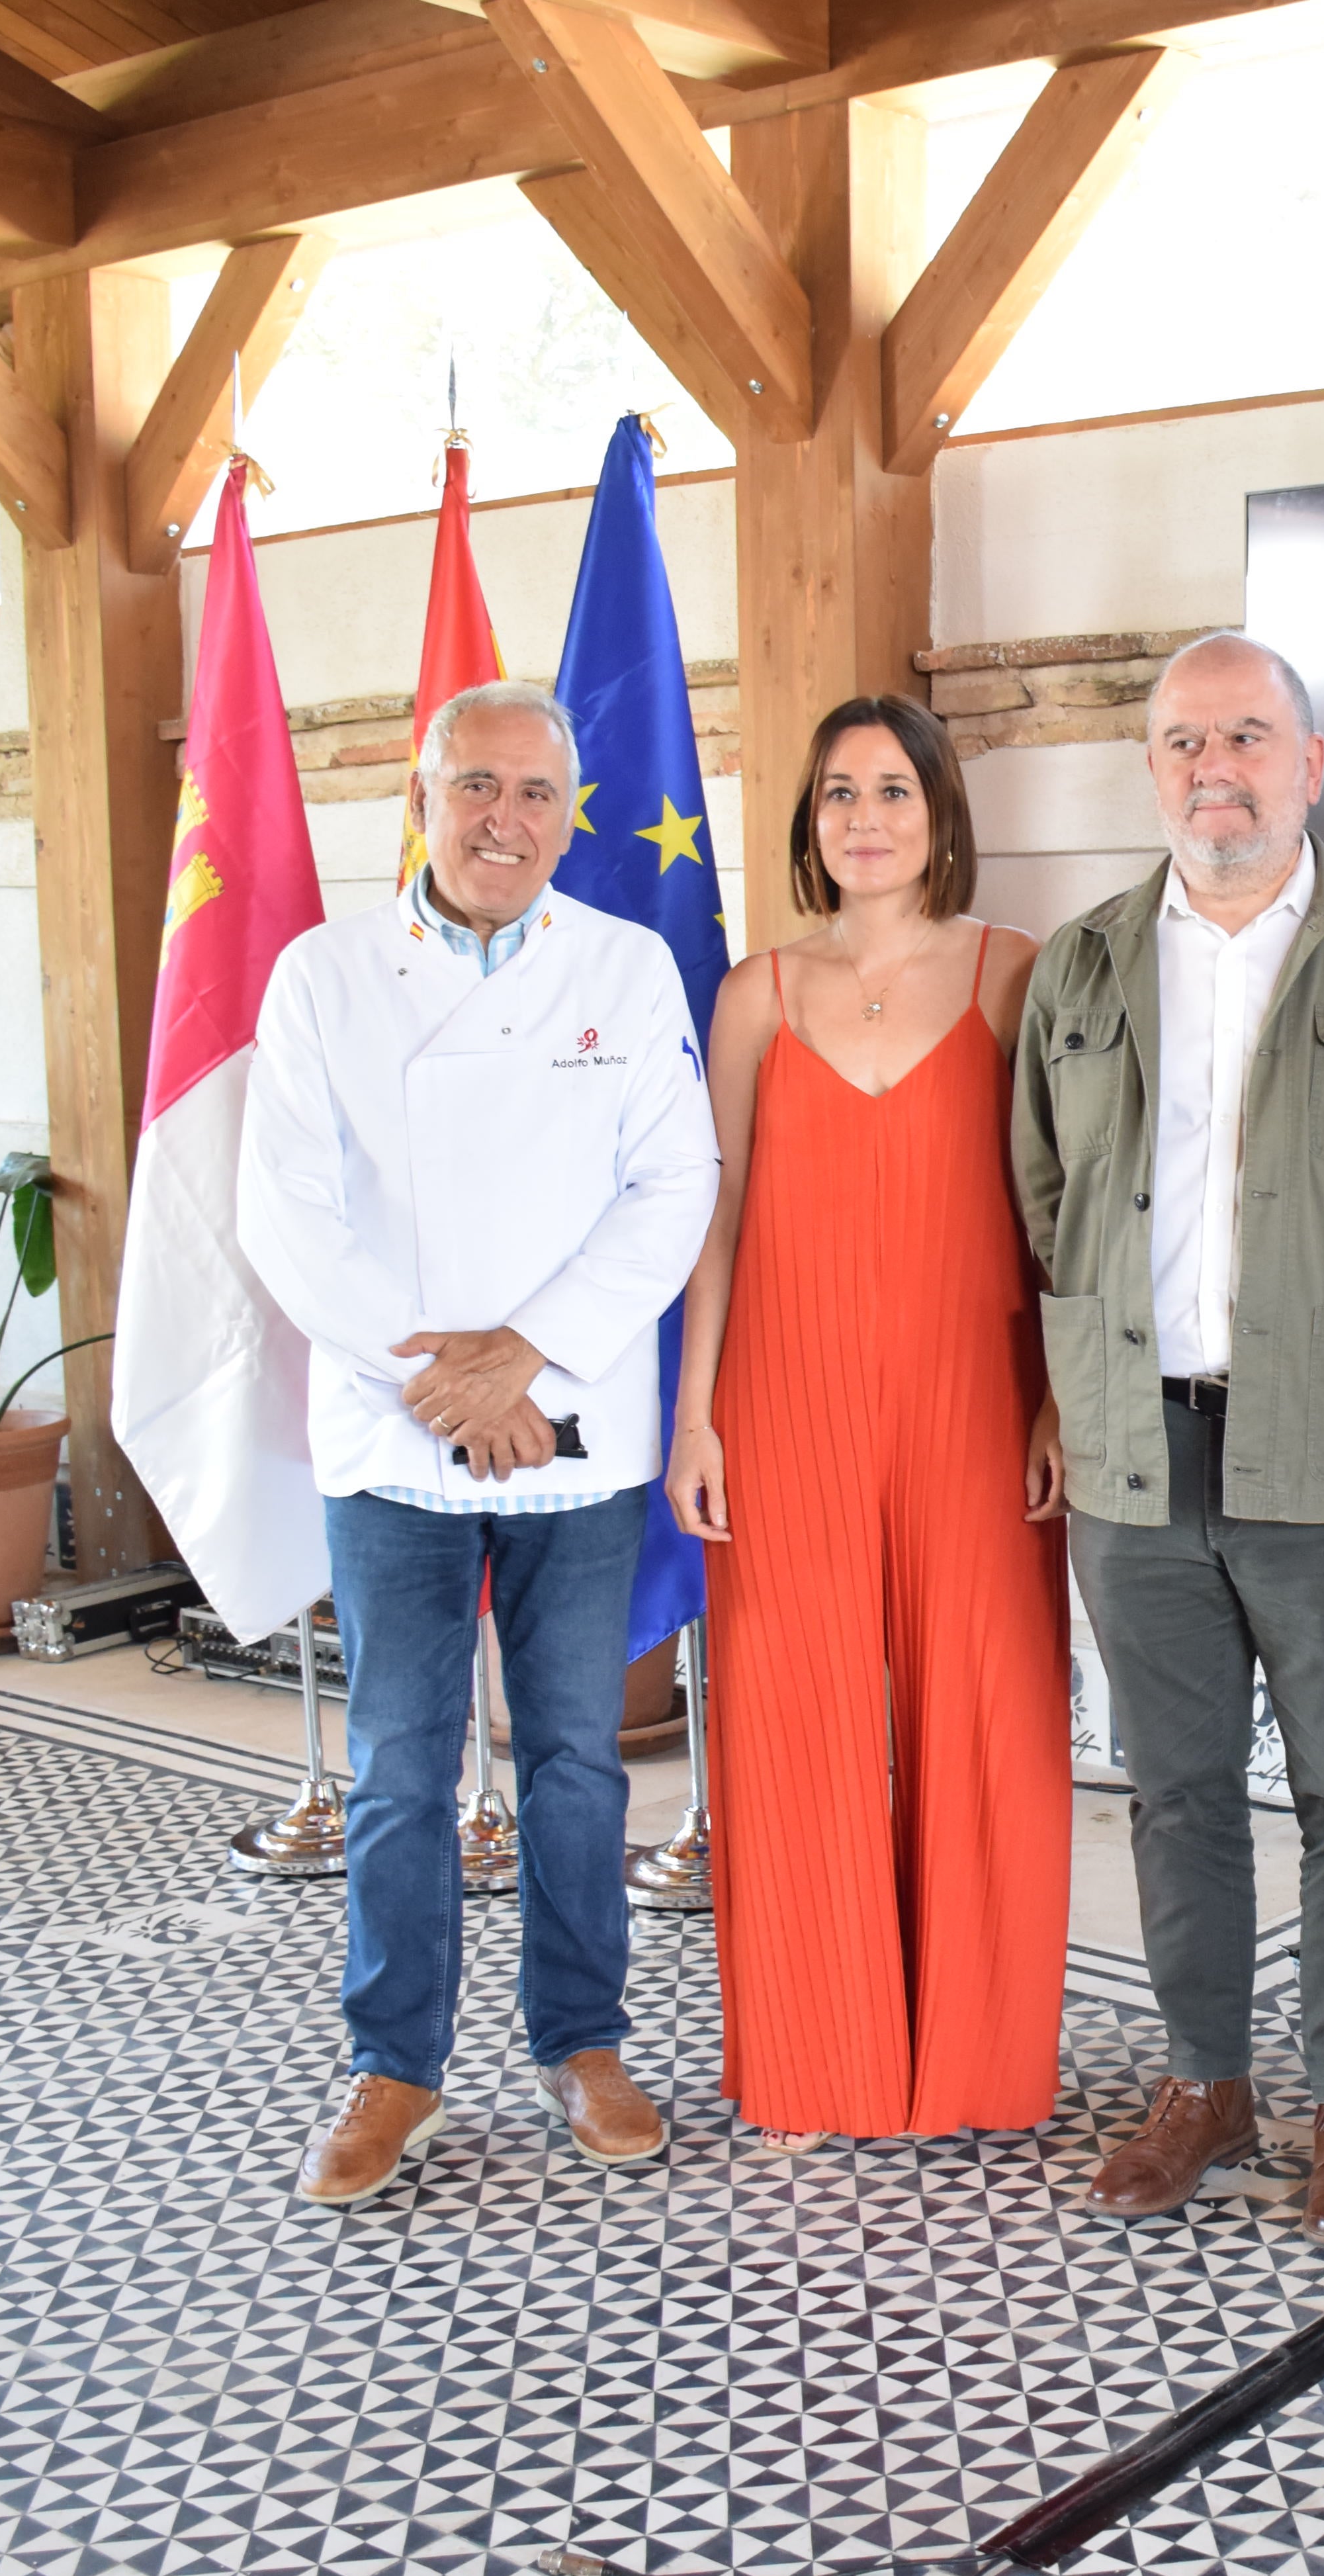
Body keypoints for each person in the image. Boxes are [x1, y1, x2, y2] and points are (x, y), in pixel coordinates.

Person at [1012, 631, 1324, 2246]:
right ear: (1153, 770)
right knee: (1175, 1786)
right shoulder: (1077, 967)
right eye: (1187, 742)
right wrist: (1063, 1397)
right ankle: (1205, 2079)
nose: (1219, 769)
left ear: (1312, 761)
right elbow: (1045, 1205)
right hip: (1136, 1446)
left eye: (1250, 738)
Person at [239, 678, 721, 2208]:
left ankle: (582, 2036)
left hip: (573, 1434)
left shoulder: (629, 968)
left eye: (534, 790)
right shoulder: (323, 976)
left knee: (578, 1757)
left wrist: (535, 1362)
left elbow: (674, 1191)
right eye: (476, 786)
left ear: (570, 808)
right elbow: (287, 1213)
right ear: (422, 794)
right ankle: (396, 2063)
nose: (505, 818)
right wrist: (445, 1384)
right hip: (394, 1440)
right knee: (396, 1763)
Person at [663, 695, 1071, 2147]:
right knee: (797, 1715)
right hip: (785, 1392)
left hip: (977, 1391)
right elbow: (711, 1216)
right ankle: (817, 2049)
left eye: (894, 789)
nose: (866, 817)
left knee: (988, 1708)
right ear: (810, 821)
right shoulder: (756, 991)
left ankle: (976, 2055)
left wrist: (1055, 1399)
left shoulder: (1015, 972)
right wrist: (697, 1416)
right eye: (839, 792)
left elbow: (1062, 1211)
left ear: (941, 814)